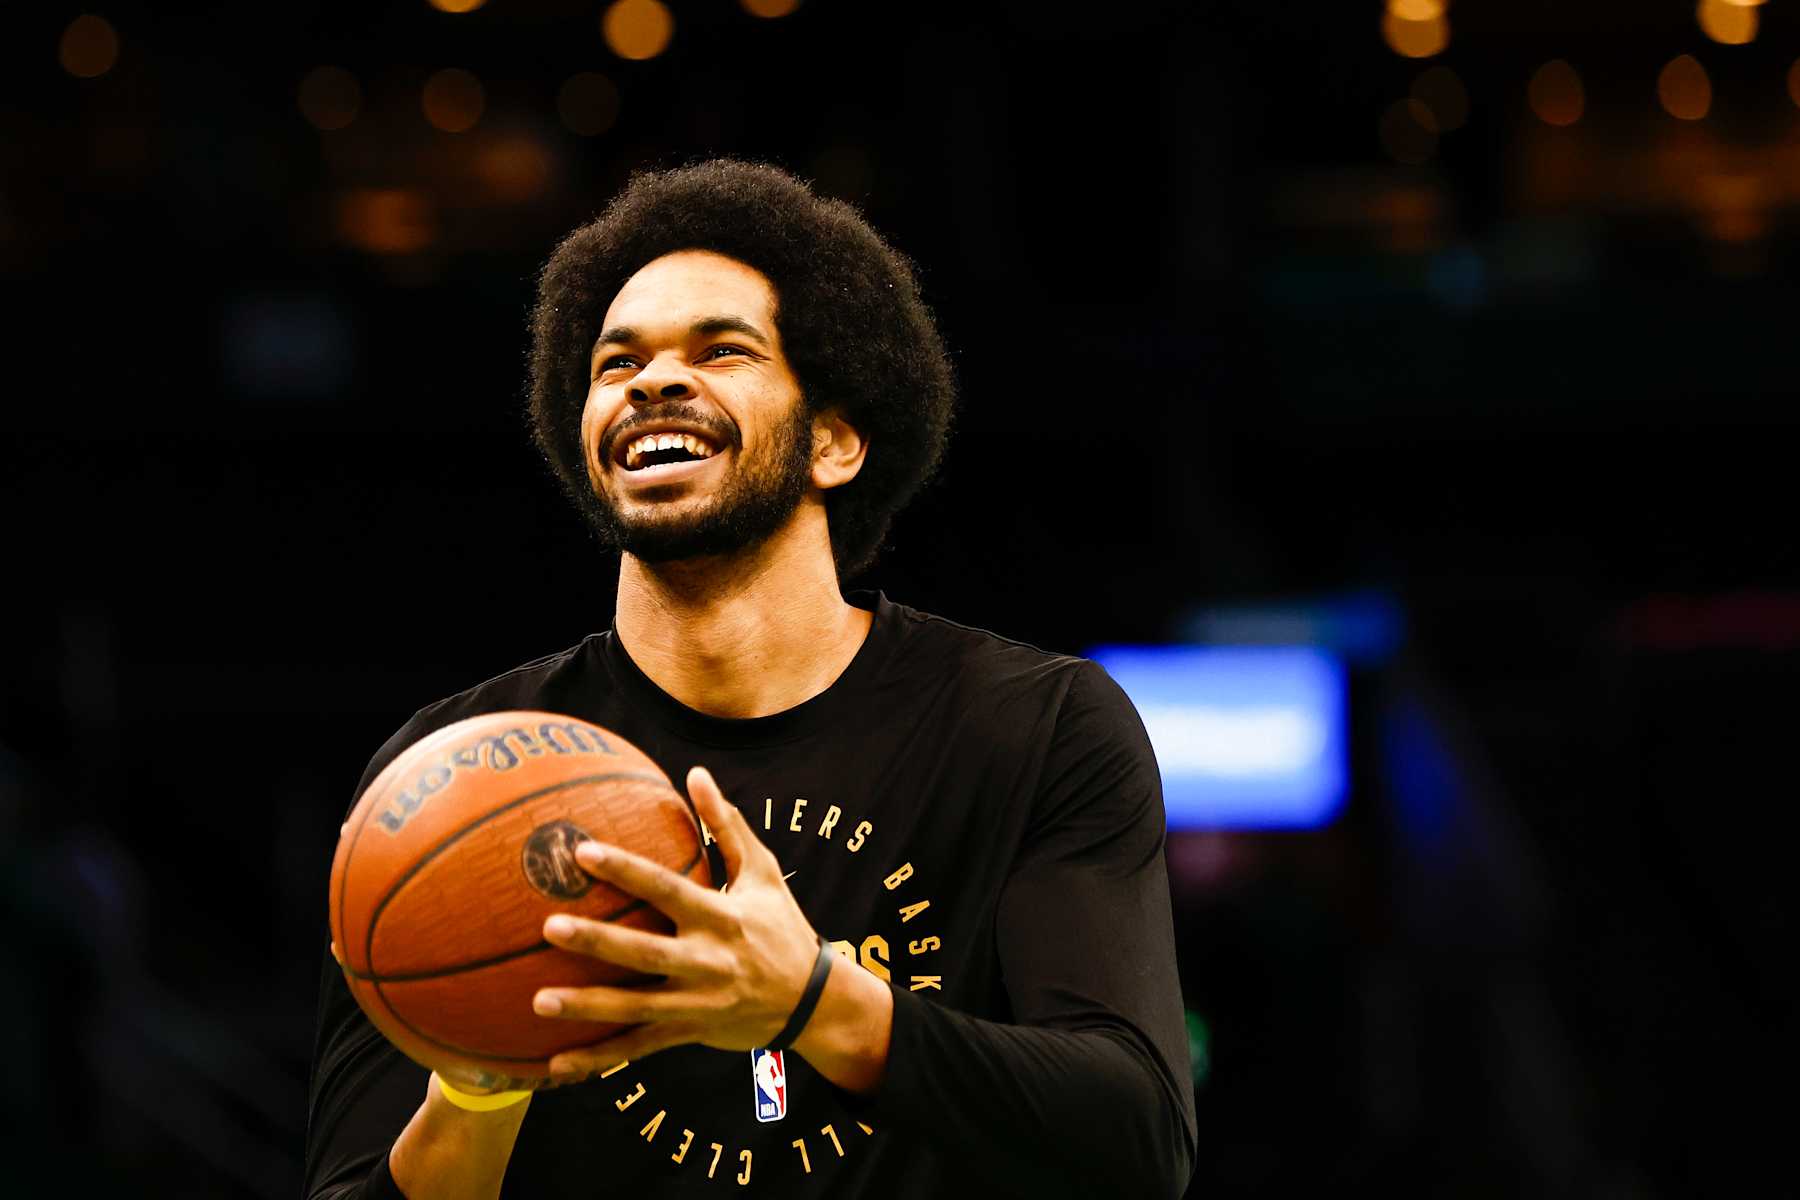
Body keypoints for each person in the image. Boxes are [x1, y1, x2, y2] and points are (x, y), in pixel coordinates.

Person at [304, 160, 1196, 1199]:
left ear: (835, 440)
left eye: (721, 349)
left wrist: (811, 1000)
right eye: (614, 363)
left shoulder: (1032, 725)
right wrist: (478, 1089)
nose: (650, 382)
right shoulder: (452, 774)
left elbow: (1137, 1140)